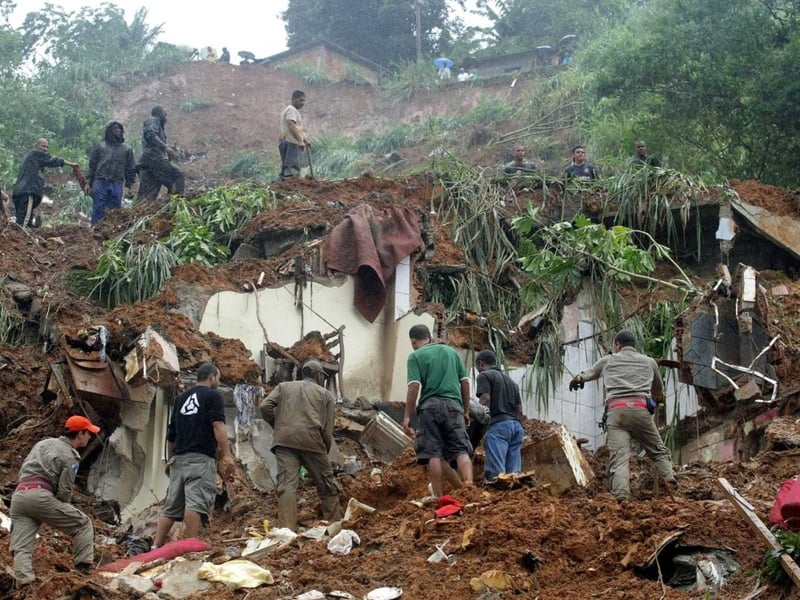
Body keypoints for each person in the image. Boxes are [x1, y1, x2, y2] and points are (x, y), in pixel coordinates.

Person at [569, 330, 675, 501]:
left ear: (617, 345)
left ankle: (621, 497)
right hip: (641, 412)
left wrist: (578, 379)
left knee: (619, 459)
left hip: (616, 413)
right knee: (658, 451)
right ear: (634, 346)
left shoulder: (608, 360)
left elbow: (588, 374)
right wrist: (655, 399)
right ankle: (670, 483)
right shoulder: (649, 362)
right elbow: (658, 392)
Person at [10, 415, 100, 586]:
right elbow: (64, 492)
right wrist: (59, 506)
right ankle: (83, 569)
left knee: (21, 546)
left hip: (19, 496)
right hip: (41, 496)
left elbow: (25, 467)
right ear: (80, 434)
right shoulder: (71, 456)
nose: (90, 437)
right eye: (89, 433)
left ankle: (25, 584)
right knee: (83, 524)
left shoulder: (43, 444)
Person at [153, 363, 231, 547]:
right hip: (201, 457)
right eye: (218, 377)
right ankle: (189, 546)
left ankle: (155, 545)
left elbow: (171, 434)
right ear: (212, 376)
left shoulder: (181, 398)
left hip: (179, 459)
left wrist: (170, 459)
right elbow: (218, 426)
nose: (218, 381)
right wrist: (227, 455)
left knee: (171, 506)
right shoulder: (213, 396)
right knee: (195, 502)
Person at [259, 360, 343, 531]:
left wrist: (278, 425)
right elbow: (327, 431)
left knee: (286, 486)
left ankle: (287, 531)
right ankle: (335, 528)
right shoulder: (326, 395)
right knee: (327, 486)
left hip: (284, 441)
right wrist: (324, 454)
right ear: (319, 375)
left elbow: (264, 406)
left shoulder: (283, 387)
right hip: (312, 440)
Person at [403, 324, 473, 498]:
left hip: (429, 408)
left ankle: (439, 497)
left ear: (413, 341)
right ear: (429, 337)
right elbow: (464, 382)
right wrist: (465, 410)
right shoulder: (452, 353)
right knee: (461, 450)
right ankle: (470, 490)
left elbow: (414, 386)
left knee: (432, 453)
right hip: (453, 406)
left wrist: (407, 416)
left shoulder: (415, 356)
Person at [475, 349, 524, 481]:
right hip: (516, 427)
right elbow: (520, 410)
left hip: (499, 427)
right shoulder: (512, 383)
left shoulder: (484, 376)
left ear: (481, 364)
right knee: (514, 477)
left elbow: (485, 399)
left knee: (497, 476)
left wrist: (479, 425)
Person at [11, 138, 79, 228]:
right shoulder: (35, 153)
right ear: (36, 145)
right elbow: (52, 160)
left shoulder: (31, 158)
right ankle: (19, 238)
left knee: (24, 219)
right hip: (27, 191)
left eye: (47, 147)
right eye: (43, 146)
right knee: (23, 223)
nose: (45, 149)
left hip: (21, 191)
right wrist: (71, 164)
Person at [86, 121, 136, 225]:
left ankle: (110, 230)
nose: (117, 130)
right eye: (114, 128)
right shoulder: (100, 147)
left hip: (117, 182)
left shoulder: (126, 149)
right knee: (98, 207)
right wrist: (88, 182)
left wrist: (129, 185)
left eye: (119, 128)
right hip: (100, 180)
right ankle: (95, 229)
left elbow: (130, 168)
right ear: (108, 131)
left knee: (115, 209)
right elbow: (92, 165)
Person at [137, 106, 185, 201]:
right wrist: (166, 148)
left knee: (149, 193)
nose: (166, 116)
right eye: (165, 113)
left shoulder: (159, 127)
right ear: (159, 113)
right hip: (154, 159)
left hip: (147, 162)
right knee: (178, 175)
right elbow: (151, 135)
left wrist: (167, 152)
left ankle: (137, 212)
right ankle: (176, 203)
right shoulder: (153, 120)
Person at [279, 90, 311, 180]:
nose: (303, 103)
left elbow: (298, 129)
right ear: (294, 99)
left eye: (304, 101)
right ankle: (291, 185)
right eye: (301, 100)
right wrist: (300, 140)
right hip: (290, 141)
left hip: (289, 140)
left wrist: (305, 141)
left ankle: (282, 184)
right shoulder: (291, 109)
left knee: (286, 168)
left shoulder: (294, 111)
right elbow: (291, 125)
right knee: (291, 168)